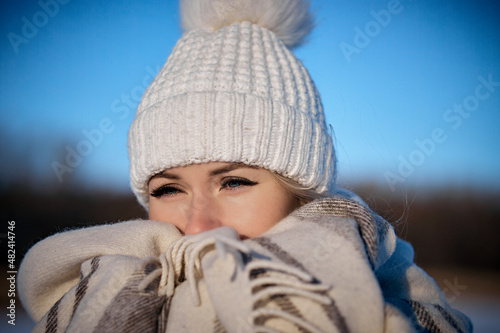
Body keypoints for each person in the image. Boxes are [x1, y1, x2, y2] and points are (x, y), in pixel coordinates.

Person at [18, 0, 472, 332]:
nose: (197, 226)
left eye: (233, 182)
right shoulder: (99, 284)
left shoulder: (403, 310)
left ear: (301, 191)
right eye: (168, 190)